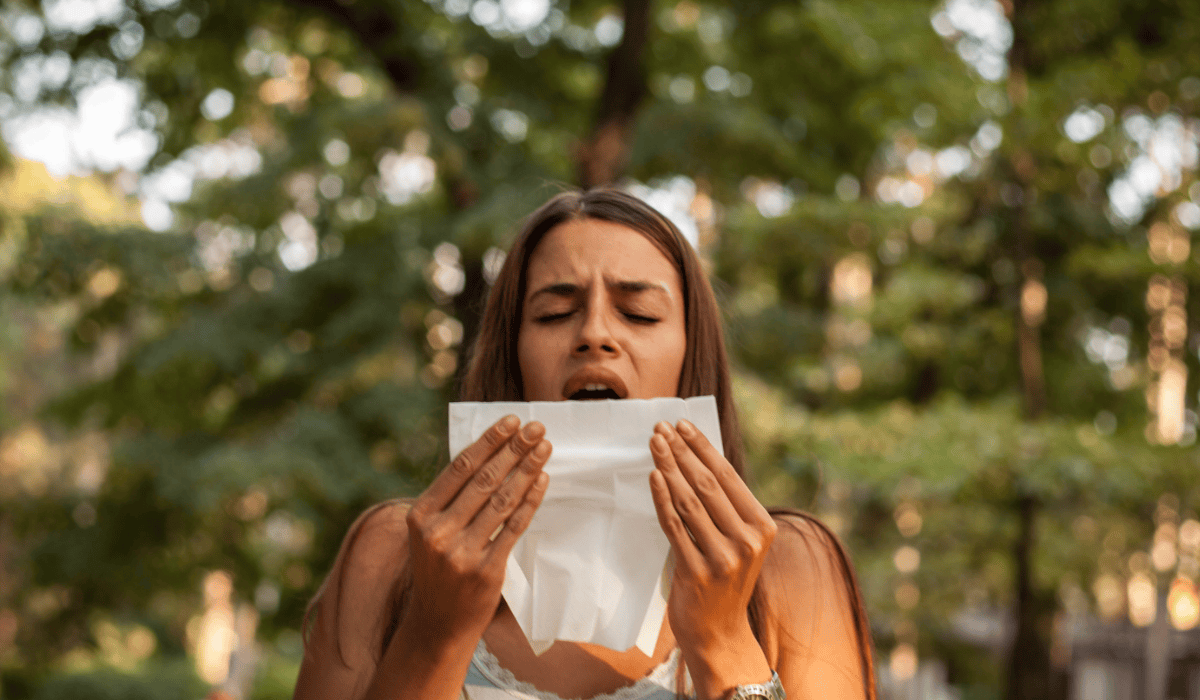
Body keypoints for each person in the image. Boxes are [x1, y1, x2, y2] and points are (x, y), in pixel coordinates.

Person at [293, 189, 877, 700]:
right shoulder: (395, 556)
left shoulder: (787, 568)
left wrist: (725, 641)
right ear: (513, 357)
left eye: (641, 314)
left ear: (689, 356)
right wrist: (434, 632)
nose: (595, 334)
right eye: (554, 313)